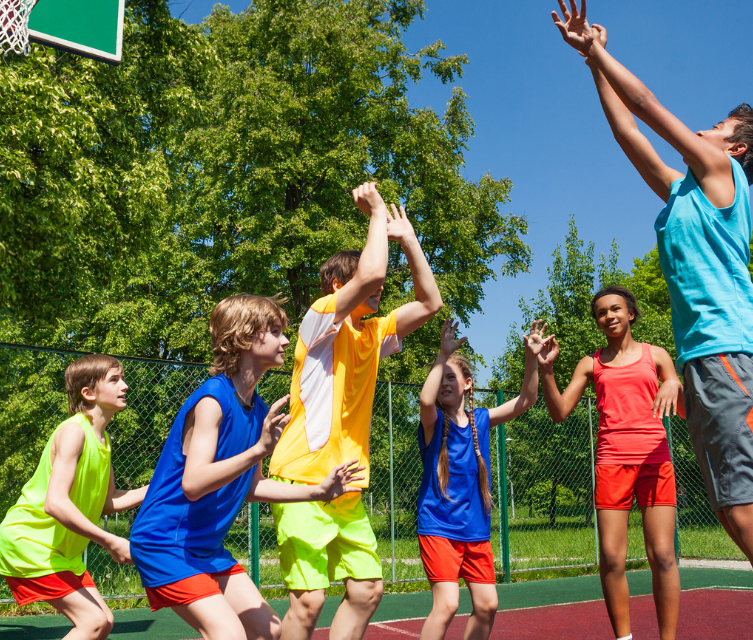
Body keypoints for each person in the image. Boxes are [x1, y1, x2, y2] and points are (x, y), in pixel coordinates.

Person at [550, 3, 753, 639]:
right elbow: (629, 135)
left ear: (738, 147)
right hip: (710, 359)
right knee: (738, 515)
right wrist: (591, 62)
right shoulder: (685, 192)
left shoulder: (723, 175)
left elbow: (646, 104)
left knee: (750, 511)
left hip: (733, 352)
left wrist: (600, 51)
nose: (703, 129)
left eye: (716, 124)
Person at [129, 294, 364, 640]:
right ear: (244, 337)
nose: (286, 340)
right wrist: (258, 450)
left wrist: (317, 491)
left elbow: (252, 487)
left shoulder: (258, 410)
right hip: (165, 542)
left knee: (269, 630)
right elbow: (193, 483)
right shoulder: (212, 400)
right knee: (228, 635)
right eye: (275, 331)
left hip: (205, 547)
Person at [268, 182, 444, 640]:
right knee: (307, 603)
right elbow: (368, 275)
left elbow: (430, 302)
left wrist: (407, 239)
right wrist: (376, 214)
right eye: (373, 285)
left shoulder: (373, 332)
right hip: (304, 476)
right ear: (337, 287)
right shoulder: (320, 319)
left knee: (366, 590)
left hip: (347, 483)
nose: (381, 289)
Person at [537, 286, 681, 640]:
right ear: (598, 322)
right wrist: (547, 370)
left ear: (630, 313)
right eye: (601, 312)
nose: (609, 316)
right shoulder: (591, 363)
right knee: (612, 559)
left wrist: (674, 381)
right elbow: (559, 413)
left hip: (654, 459)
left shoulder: (657, 355)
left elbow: (674, 383)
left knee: (662, 555)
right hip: (612, 462)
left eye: (615, 309)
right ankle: (624, 638)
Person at [0, 354, 148, 640]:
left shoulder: (103, 440)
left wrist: (157, 489)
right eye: (115, 380)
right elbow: (55, 502)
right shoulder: (74, 432)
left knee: (105, 621)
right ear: (88, 393)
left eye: (122, 378)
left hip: (60, 553)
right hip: (29, 543)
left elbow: (108, 501)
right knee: (93, 623)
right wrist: (109, 540)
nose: (125, 386)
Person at [416, 318, 545, 640]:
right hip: (439, 526)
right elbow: (425, 400)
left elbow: (527, 400)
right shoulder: (432, 423)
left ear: (468, 383)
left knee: (487, 605)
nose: (444, 383)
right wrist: (442, 357)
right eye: (440, 377)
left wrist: (532, 358)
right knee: (446, 605)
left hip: (475, 529)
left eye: (451, 377)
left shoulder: (483, 419)